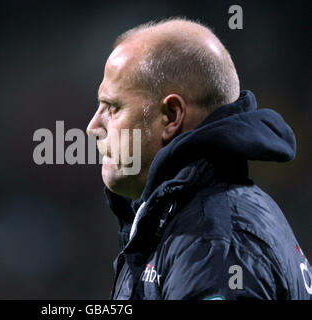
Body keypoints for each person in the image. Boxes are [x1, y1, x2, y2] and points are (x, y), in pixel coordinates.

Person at [86, 18, 311, 300]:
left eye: (112, 107)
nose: (93, 126)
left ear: (170, 116)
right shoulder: (181, 220)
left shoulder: (214, 242)